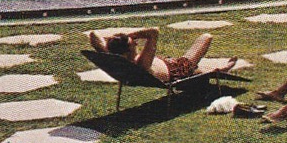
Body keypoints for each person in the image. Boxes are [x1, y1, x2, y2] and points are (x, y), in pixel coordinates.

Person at [88, 26, 235, 83]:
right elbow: (154, 32)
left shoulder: (117, 59)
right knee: (206, 36)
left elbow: (94, 35)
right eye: (134, 43)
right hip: (179, 70)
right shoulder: (141, 64)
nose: (137, 43)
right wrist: (129, 34)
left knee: (201, 72)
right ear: (127, 50)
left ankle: (220, 70)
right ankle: (222, 70)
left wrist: (117, 41)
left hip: (172, 64)